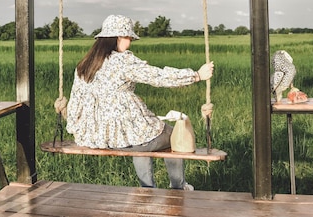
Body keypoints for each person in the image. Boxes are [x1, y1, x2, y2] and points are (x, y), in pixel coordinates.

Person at [66, 14, 214, 190]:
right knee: (171, 136)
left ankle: (148, 189)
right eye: (129, 38)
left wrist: (76, 128)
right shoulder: (123, 61)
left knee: (139, 140)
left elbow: (75, 101)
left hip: (97, 138)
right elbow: (158, 76)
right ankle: (178, 187)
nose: (130, 42)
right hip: (127, 138)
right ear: (119, 37)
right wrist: (196, 75)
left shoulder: (85, 65)